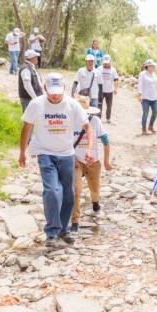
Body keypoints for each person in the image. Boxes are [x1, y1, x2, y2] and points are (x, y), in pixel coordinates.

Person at [19, 73, 94, 247]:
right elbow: (27, 128)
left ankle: (63, 229)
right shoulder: (36, 104)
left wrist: (89, 150)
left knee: (69, 193)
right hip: (45, 153)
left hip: (66, 153)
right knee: (52, 190)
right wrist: (22, 152)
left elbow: (88, 128)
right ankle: (52, 231)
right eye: (51, 92)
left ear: (64, 89)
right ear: (45, 88)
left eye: (58, 92)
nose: (55, 95)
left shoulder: (72, 104)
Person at [70, 96, 112, 232]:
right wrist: (71, 158)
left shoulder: (95, 121)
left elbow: (105, 139)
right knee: (76, 190)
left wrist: (106, 160)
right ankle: (75, 220)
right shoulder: (69, 121)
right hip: (75, 161)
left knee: (94, 188)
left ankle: (95, 203)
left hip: (93, 161)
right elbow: (62, 143)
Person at [137, 59, 157, 135]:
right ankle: (143, 129)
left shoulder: (154, 75)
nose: (153, 67)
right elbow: (140, 84)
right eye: (151, 66)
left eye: (153, 66)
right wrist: (139, 95)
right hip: (145, 97)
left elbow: (155, 85)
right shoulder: (142, 74)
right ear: (148, 66)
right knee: (145, 113)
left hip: (154, 97)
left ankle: (151, 126)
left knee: (155, 112)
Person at [97, 55, 118, 123]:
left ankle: (108, 118)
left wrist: (115, 88)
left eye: (107, 62)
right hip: (100, 90)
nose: (106, 64)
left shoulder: (113, 70)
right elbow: (95, 78)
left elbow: (116, 80)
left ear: (110, 62)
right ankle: (98, 118)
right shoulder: (99, 69)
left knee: (109, 106)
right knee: (99, 104)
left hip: (109, 91)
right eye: (105, 62)